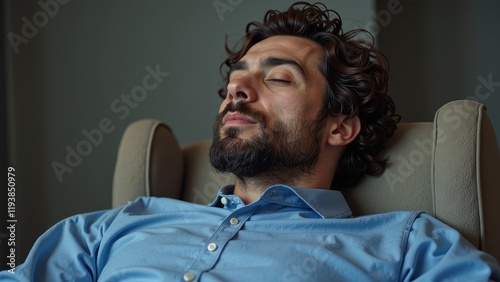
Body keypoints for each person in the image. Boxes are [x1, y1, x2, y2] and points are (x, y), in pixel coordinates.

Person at [2, 2, 500, 281]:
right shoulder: (112, 228)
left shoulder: (406, 245)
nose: (236, 90)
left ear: (339, 127)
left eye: (278, 79)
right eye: (235, 81)